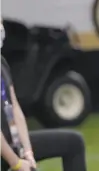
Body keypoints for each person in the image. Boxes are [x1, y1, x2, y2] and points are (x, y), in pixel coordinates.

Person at [0, 22, 87, 171]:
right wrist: (16, 163)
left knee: (73, 142)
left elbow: (14, 108)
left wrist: (28, 152)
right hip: (4, 150)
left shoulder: (2, 63)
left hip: (12, 144)